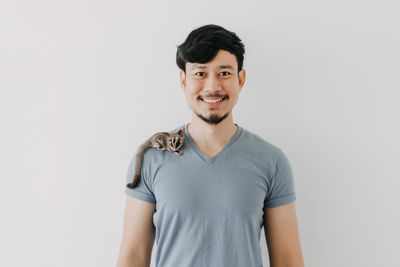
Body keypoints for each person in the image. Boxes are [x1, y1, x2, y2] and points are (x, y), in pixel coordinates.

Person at [117, 24, 304, 267]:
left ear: (241, 79)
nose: (212, 86)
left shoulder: (272, 161)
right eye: (200, 73)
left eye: (224, 73)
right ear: (184, 80)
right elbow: (133, 256)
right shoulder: (152, 158)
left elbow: (288, 259)